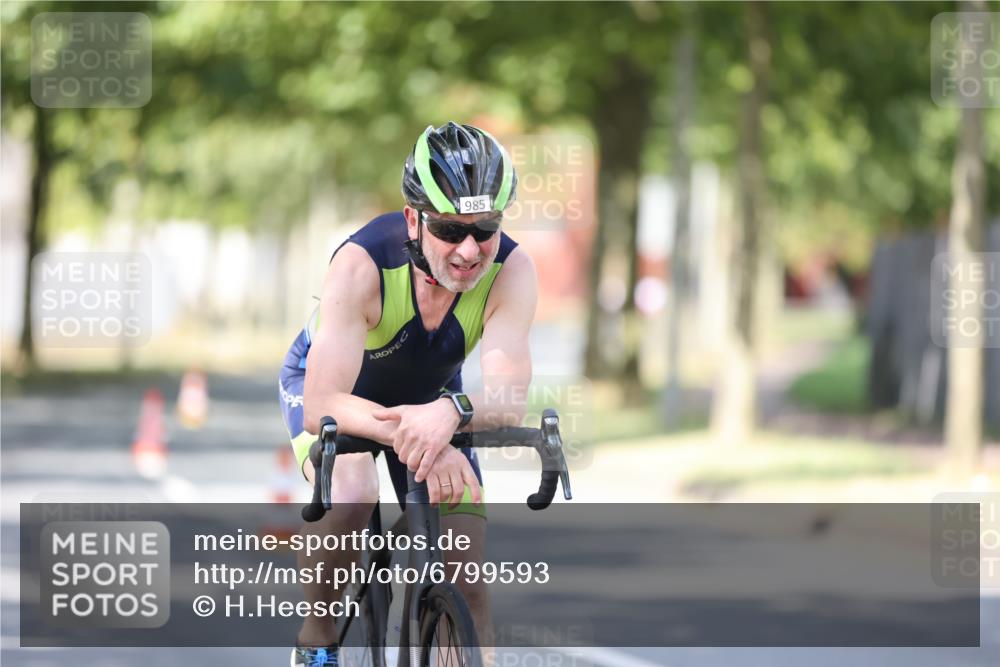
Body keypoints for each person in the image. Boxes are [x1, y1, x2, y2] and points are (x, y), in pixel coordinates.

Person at [278, 122, 537, 666]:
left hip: (433, 398)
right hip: (337, 392)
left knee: (467, 577)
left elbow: (508, 400)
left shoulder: (513, 271)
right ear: (414, 219)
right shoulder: (360, 265)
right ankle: (318, 636)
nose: (469, 249)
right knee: (352, 497)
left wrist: (449, 415)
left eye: (485, 227)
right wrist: (423, 435)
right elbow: (323, 403)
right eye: (448, 228)